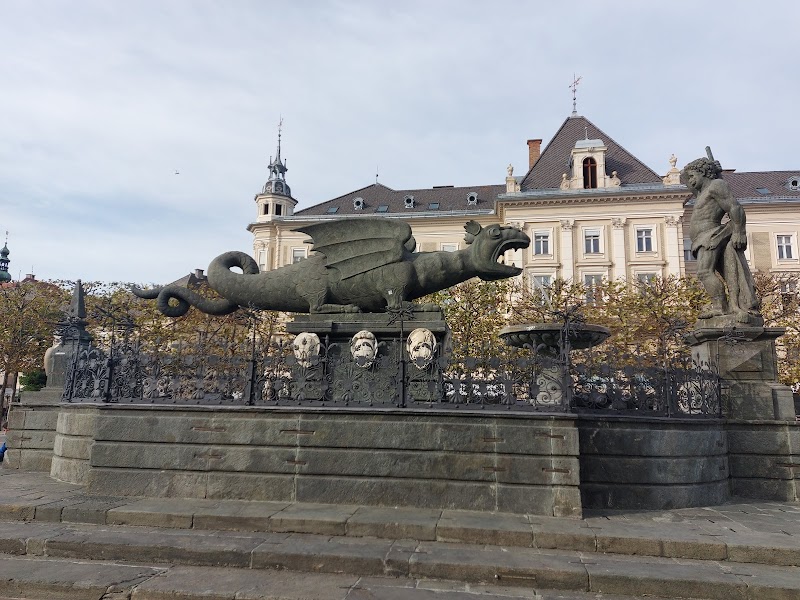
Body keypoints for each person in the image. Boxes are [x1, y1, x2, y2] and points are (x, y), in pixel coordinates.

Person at [682, 155, 761, 323]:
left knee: (704, 272)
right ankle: (725, 306)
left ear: (703, 173)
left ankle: (720, 307)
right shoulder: (702, 191)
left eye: (692, 176)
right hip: (702, 239)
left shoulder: (716, 186)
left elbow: (734, 207)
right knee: (723, 274)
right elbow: (685, 181)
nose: (690, 181)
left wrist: (739, 231)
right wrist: (713, 170)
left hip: (711, 236)